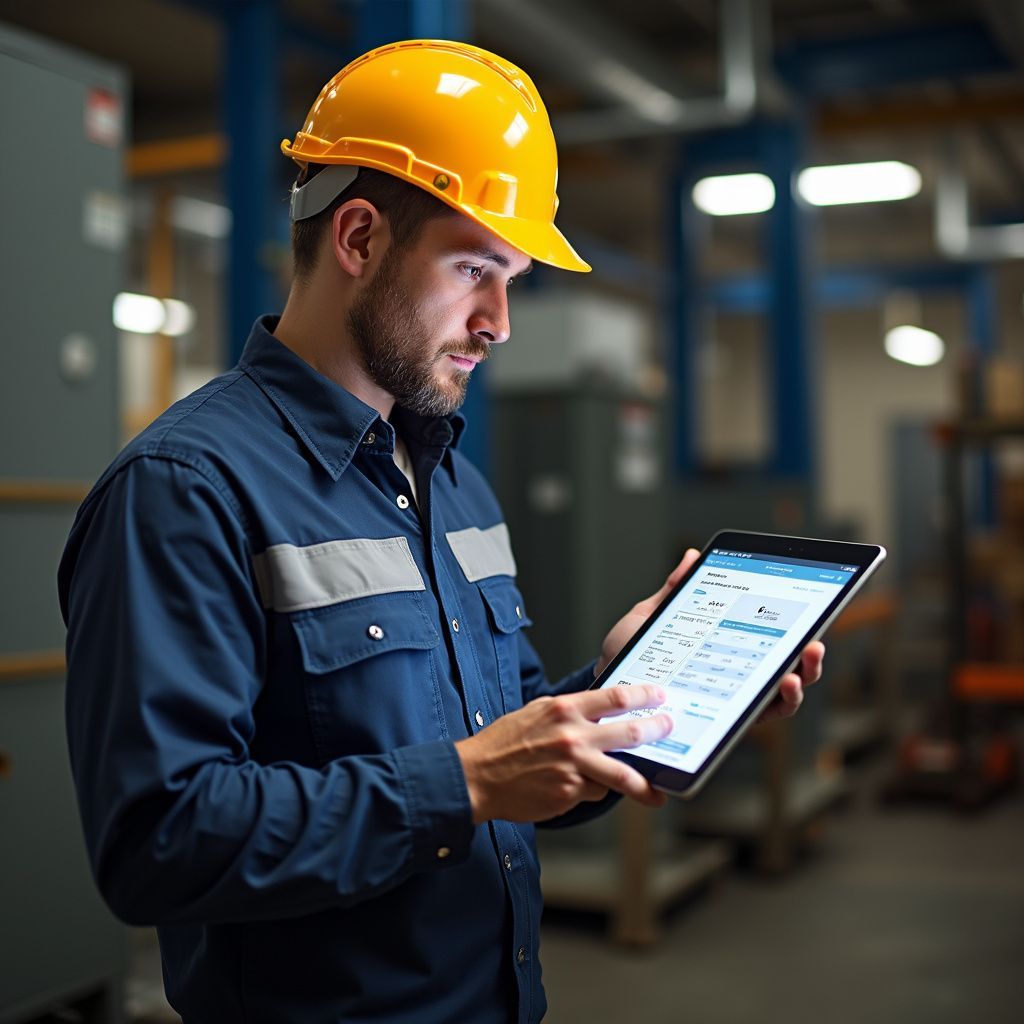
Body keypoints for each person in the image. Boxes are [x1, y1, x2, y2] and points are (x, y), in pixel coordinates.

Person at [59, 40, 823, 1023]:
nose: (498, 321)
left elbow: (497, 763)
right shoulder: (185, 490)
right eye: (474, 267)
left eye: (508, 277)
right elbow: (157, 841)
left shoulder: (454, 484)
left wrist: (619, 693)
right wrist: (459, 784)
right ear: (360, 238)